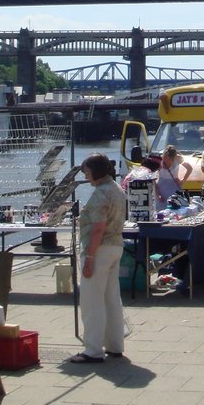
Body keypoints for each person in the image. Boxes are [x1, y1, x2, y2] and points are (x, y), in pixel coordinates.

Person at [70, 153, 127, 364]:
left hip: (100, 249)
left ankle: (93, 350)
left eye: (87, 172)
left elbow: (98, 228)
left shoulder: (100, 194)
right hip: (116, 247)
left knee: (92, 300)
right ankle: (115, 344)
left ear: (96, 172)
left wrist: (90, 257)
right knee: (111, 298)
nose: (86, 176)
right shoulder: (117, 189)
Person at [155, 145, 192, 210]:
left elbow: (189, 168)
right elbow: (152, 179)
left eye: (168, 159)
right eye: (165, 158)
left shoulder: (178, 158)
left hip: (174, 187)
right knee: (161, 210)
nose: (166, 160)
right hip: (161, 188)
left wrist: (183, 180)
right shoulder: (159, 160)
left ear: (173, 158)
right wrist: (158, 193)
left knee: (176, 209)